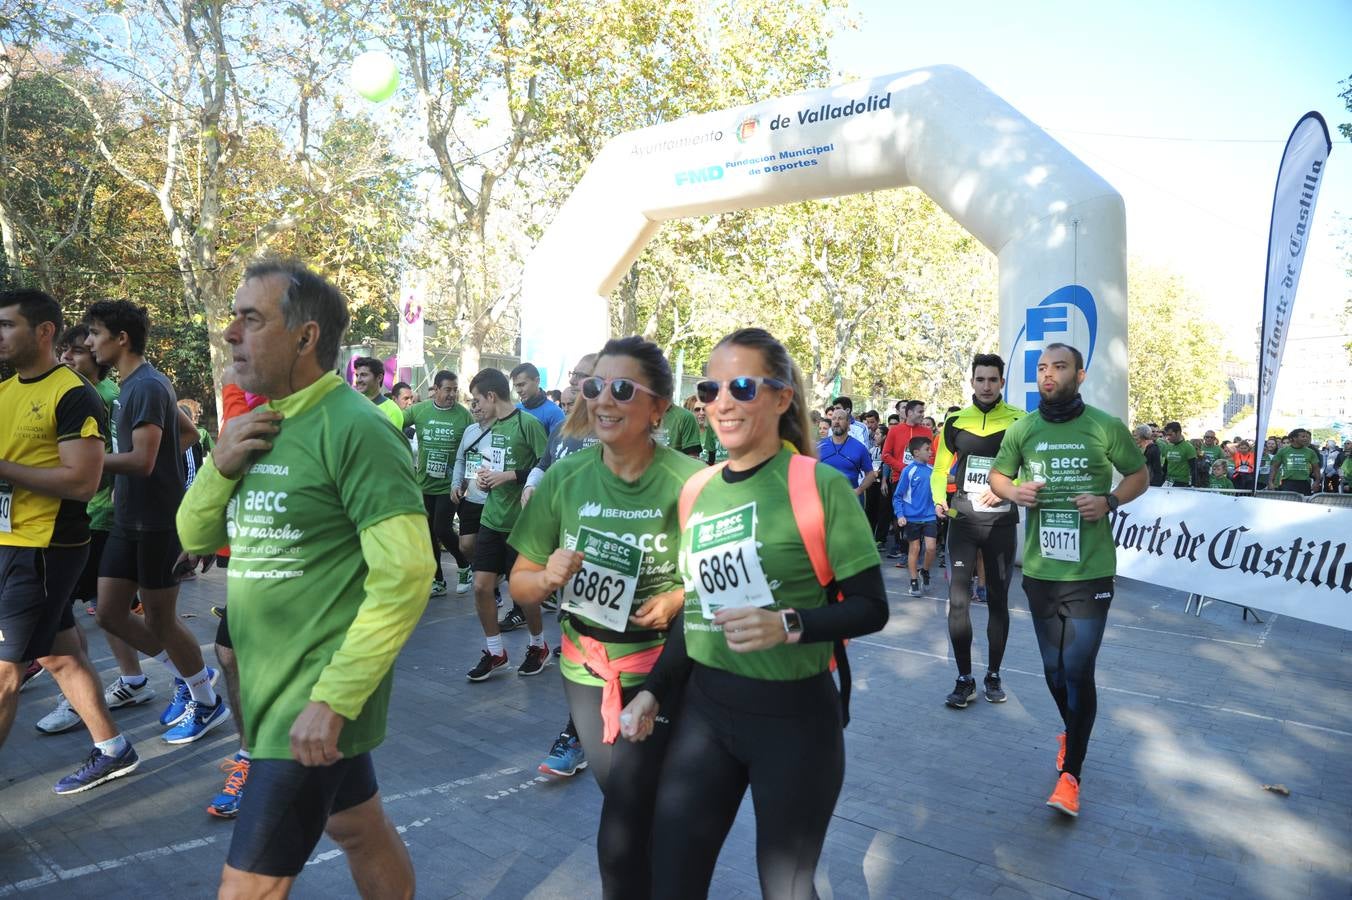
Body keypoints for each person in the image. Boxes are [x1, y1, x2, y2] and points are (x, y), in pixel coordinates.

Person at [176, 258, 432, 897]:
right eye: (233, 317)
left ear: (305, 335)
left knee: (246, 889)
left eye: (250, 318)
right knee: (359, 828)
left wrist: (335, 698)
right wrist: (221, 465)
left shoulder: (359, 428)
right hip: (273, 697)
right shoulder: (259, 424)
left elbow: (406, 574)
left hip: (310, 701)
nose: (231, 333)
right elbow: (194, 537)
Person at [619, 327, 888, 900]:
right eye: (710, 389)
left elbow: (872, 608)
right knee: (670, 880)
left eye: (741, 387)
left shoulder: (817, 486)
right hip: (706, 714)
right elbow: (695, 611)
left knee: (786, 890)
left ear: (781, 397)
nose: (722, 403)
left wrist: (790, 624)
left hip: (794, 721)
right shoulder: (697, 490)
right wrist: (653, 690)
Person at [509, 337, 703, 898]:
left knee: (626, 812)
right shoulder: (566, 480)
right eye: (594, 387)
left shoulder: (690, 482)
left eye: (622, 389)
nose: (602, 400)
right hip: (585, 672)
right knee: (625, 798)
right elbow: (522, 579)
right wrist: (547, 578)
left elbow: (723, 588)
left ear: (659, 408)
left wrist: (676, 598)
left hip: (661, 667)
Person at [988, 343, 1148, 818]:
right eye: (1041, 368)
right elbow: (998, 476)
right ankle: (1073, 730)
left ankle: (1071, 773)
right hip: (1040, 572)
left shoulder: (1104, 426)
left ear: (1080, 373)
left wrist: (1110, 502)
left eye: (1059, 367)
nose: (1048, 374)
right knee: (1054, 672)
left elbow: (1140, 474)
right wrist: (1014, 491)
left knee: (1078, 671)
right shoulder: (1024, 428)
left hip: (1090, 571)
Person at [0, 289, 140, 793]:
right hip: (12, 543)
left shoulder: (73, 393)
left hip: (46, 547)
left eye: (7, 325)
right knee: (60, 654)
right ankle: (113, 748)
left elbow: (83, 481)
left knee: (4, 673)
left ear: (43, 332)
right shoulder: (5, 392)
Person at [85, 299, 228, 743]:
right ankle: (194, 675)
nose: (89, 342)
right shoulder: (133, 385)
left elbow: (144, 460)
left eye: (94, 333)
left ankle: (206, 702)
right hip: (130, 518)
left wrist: (88, 464)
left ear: (120, 338)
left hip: (156, 523)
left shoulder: (146, 385)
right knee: (109, 612)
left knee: (162, 621)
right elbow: (184, 434)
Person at [931, 354, 1024, 709]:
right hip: (963, 521)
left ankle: (994, 674)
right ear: (972, 382)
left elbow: (1030, 467)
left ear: (1001, 383)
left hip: (1001, 522)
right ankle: (964, 678)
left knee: (999, 601)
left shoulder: (1019, 419)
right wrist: (939, 499)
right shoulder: (954, 421)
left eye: (993, 380)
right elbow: (941, 470)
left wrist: (1008, 484)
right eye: (980, 379)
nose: (986, 386)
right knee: (957, 601)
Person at [464, 368, 549, 680]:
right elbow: (494, 466)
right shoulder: (490, 428)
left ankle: (538, 646)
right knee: (481, 587)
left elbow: (548, 467)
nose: (475, 406)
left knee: (523, 593)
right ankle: (495, 651)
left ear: (491, 396)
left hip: (522, 525)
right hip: (492, 518)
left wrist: (511, 476)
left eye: (476, 399)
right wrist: (487, 480)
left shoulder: (528, 424)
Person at [402, 370, 474, 597]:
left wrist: (466, 481)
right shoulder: (419, 411)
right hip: (423, 483)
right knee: (428, 534)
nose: (452, 394)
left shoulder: (463, 416)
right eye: (447, 389)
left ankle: (464, 565)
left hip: (449, 485)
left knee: (442, 528)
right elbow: (394, 421)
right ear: (435, 389)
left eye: (455, 390)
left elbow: (473, 448)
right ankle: (438, 580)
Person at [893, 436, 936, 596]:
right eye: (927, 449)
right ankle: (913, 581)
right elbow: (897, 496)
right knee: (915, 548)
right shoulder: (908, 471)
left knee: (931, 548)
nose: (931, 452)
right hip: (911, 518)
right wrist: (900, 515)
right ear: (916, 453)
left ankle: (924, 571)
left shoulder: (933, 471)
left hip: (930, 516)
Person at [817, 408, 877, 503]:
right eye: (834, 419)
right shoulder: (819, 446)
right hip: (824, 501)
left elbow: (870, 474)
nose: (836, 422)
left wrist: (859, 490)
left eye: (840, 418)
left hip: (850, 502)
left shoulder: (859, 448)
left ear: (848, 422)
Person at [512, 362, 565, 435]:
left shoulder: (555, 412)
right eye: (516, 386)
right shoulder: (515, 410)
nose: (518, 390)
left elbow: (557, 445)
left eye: (522, 385)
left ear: (537, 381)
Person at [351, 356, 403, 429]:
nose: (358, 380)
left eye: (364, 375)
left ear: (379, 378)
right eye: (357, 375)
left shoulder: (392, 410)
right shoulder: (353, 405)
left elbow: (391, 440)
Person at [1270, 428, 1320, 495]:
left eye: (1306, 437)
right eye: (1303, 437)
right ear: (1294, 438)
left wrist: (1317, 482)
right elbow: (1274, 467)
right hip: (1288, 483)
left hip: (1304, 483)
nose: (1306, 439)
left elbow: (1316, 468)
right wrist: (1270, 482)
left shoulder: (1311, 452)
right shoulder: (1282, 451)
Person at [1157, 422, 1196, 488]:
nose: (1168, 438)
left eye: (1170, 435)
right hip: (1168, 482)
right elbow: (1165, 466)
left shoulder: (1188, 447)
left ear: (1178, 433)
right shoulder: (1168, 446)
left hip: (1182, 483)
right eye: (1167, 435)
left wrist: (1193, 485)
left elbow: (1194, 469)